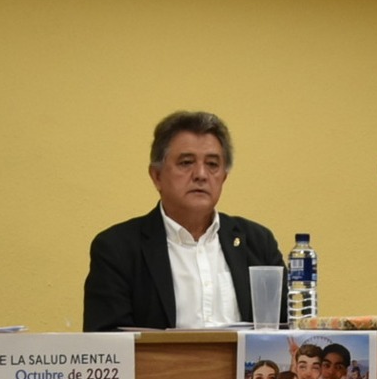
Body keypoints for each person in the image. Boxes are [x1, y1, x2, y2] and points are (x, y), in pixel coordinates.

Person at [83, 111, 283, 332]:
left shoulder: (258, 243)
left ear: (224, 177)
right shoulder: (117, 248)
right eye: (186, 163)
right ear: (157, 176)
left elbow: (290, 331)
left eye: (212, 164)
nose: (201, 174)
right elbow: (106, 343)